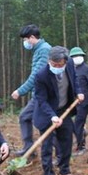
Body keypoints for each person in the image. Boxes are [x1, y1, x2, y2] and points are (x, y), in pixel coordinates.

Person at [33, 46, 84, 175]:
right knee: (47, 143)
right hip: (46, 112)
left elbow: (75, 80)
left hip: (64, 109)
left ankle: (65, 170)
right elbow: (41, 100)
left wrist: (79, 92)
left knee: (66, 139)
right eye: (53, 64)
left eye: (59, 64)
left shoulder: (70, 65)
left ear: (65, 62)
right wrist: (53, 116)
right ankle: (48, 173)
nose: (56, 66)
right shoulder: (41, 75)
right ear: (49, 60)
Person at [11, 24, 52, 158]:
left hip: (43, 94)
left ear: (32, 37)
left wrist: (20, 91)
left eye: (25, 39)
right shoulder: (39, 50)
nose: (25, 43)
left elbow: (36, 75)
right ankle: (29, 149)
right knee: (28, 117)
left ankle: (74, 134)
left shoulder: (44, 50)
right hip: (39, 93)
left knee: (40, 122)